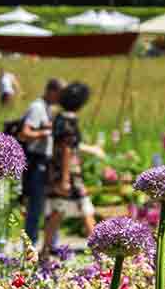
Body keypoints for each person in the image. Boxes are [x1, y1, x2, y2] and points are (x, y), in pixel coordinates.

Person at [42, 82, 102, 257]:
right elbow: (67, 149)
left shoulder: (59, 118)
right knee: (85, 208)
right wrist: (66, 178)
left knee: (58, 210)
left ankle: (44, 251)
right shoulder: (70, 121)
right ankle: (98, 250)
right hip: (69, 174)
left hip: (57, 171)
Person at [19, 79, 63, 245]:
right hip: (36, 161)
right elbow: (25, 133)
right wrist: (44, 133)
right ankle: (30, 243)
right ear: (52, 91)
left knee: (46, 203)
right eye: (59, 94)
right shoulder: (37, 107)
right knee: (36, 204)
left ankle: (49, 242)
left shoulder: (47, 108)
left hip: (44, 161)